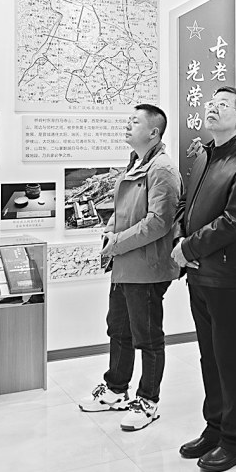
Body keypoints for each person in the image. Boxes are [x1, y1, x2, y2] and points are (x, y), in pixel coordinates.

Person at [172, 86, 236, 472]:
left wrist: (189, 248)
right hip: (200, 275)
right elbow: (186, 205)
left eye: (222, 105)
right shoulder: (204, 155)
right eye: (210, 104)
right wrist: (180, 240)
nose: (211, 108)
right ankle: (214, 427)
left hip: (230, 276)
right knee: (209, 357)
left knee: (231, 361)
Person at [78, 104, 181, 431]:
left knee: (147, 337)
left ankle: (148, 401)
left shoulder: (163, 169)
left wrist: (117, 242)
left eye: (134, 122)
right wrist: (110, 232)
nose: (127, 126)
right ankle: (115, 389)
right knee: (118, 328)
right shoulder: (137, 161)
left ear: (153, 132)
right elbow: (123, 211)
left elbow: (159, 222)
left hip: (146, 267)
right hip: (125, 263)